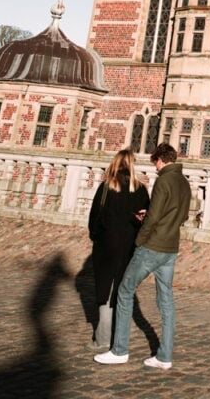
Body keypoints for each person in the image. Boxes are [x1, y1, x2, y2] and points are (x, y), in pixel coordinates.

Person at [94, 143, 192, 371]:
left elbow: (154, 217)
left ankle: (119, 350)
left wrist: (140, 240)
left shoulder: (164, 180)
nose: (155, 168)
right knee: (166, 301)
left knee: (124, 291)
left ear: (160, 159)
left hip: (152, 247)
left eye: (155, 163)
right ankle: (165, 356)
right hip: (170, 248)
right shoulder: (184, 182)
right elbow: (183, 214)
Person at [88, 149, 149, 351]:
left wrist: (97, 237)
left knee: (105, 290)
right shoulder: (140, 189)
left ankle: (103, 338)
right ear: (132, 165)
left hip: (106, 245)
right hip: (128, 246)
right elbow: (145, 219)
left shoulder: (106, 187)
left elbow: (94, 218)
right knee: (123, 290)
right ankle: (119, 337)